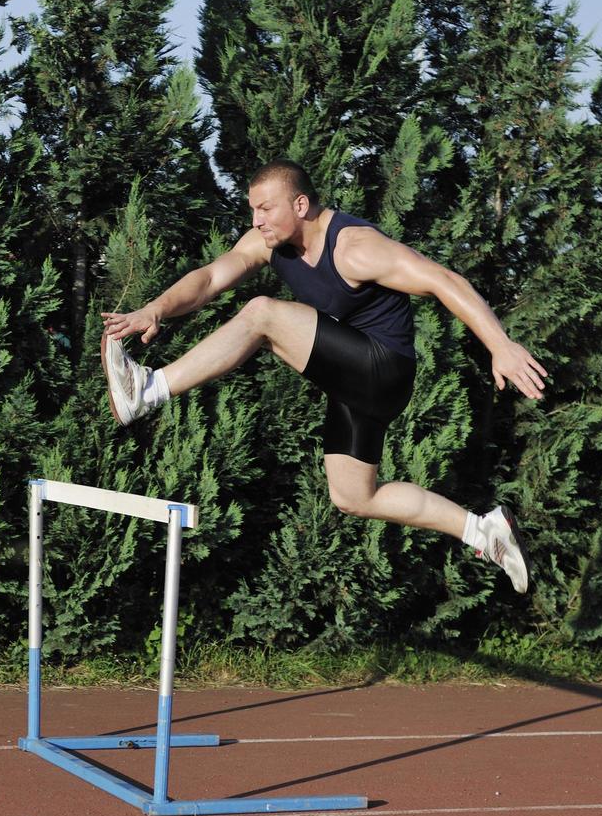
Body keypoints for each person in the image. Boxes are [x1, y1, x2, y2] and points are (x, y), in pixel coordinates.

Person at [100, 159, 547, 592]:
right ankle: (482, 530)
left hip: (384, 367)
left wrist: (500, 346)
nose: (256, 221)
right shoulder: (267, 243)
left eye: (265, 209)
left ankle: (148, 389)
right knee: (354, 496)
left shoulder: (354, 246)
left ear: (300, 205)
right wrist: (155, 308)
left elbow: (443, 280)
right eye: (252, 209)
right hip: (354, 383)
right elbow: (212, 277)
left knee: (262, 315)